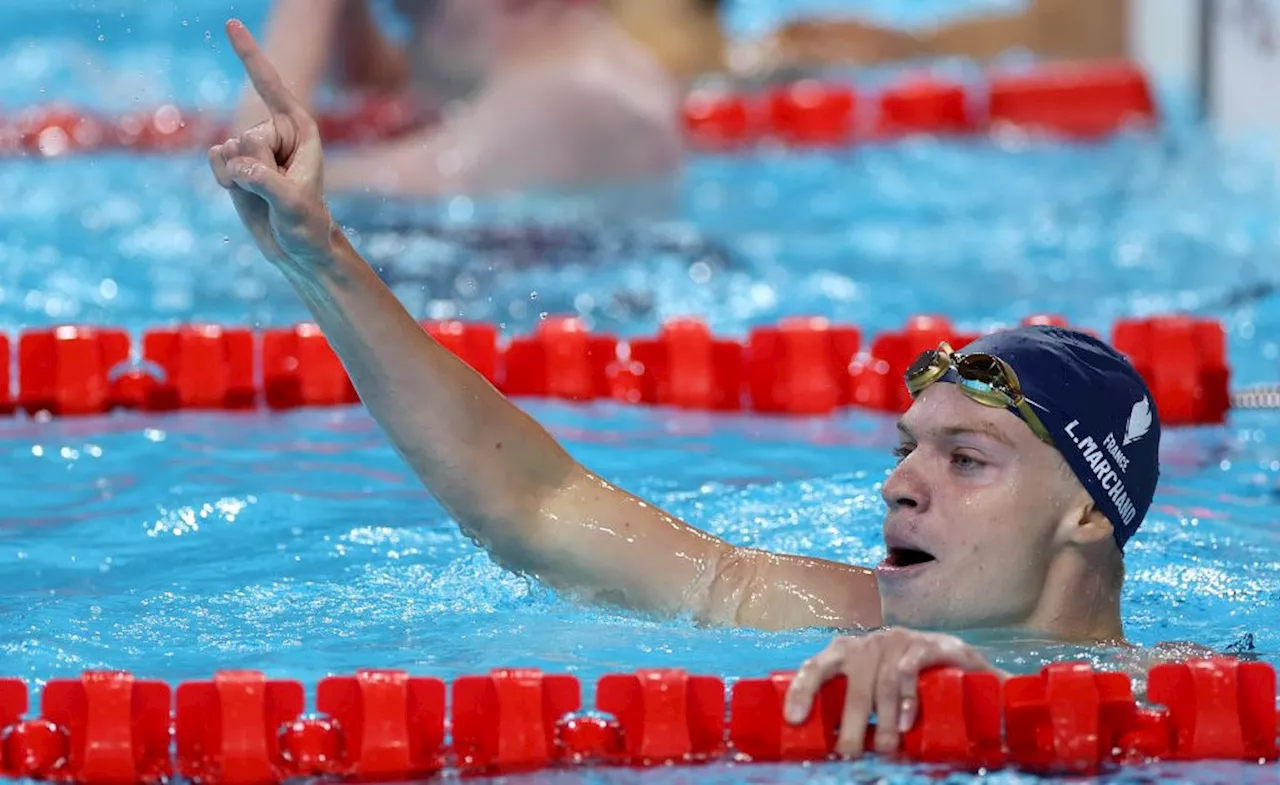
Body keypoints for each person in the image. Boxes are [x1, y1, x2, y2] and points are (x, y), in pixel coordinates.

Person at [212, 19, 1173, 759]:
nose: (900, 485)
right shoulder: (835, 612)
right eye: (905, 448)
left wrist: (1000, 691)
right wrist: (322, 260)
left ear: (1088, 513)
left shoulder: (1199, 699)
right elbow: (539, 506)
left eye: (966, 459)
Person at [233, 0, 683, 197]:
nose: (406, 16)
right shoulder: (583, 58)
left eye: (420, 5)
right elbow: (382, 82)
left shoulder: (567, 104)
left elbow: (265, 186)